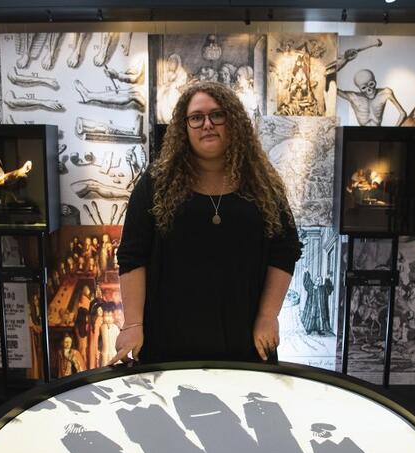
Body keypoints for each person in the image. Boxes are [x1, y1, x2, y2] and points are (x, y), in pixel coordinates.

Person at [113, 81, 302, 364]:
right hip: (169, 338)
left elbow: (285, 250)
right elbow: (132, 256)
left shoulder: (263, 183)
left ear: (233, 121)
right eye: (196, 117)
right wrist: (133, 325)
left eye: (217, 115)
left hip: (245, 337)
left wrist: (267, 316)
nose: (207, 124)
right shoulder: (155, 183)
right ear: (184, 127)